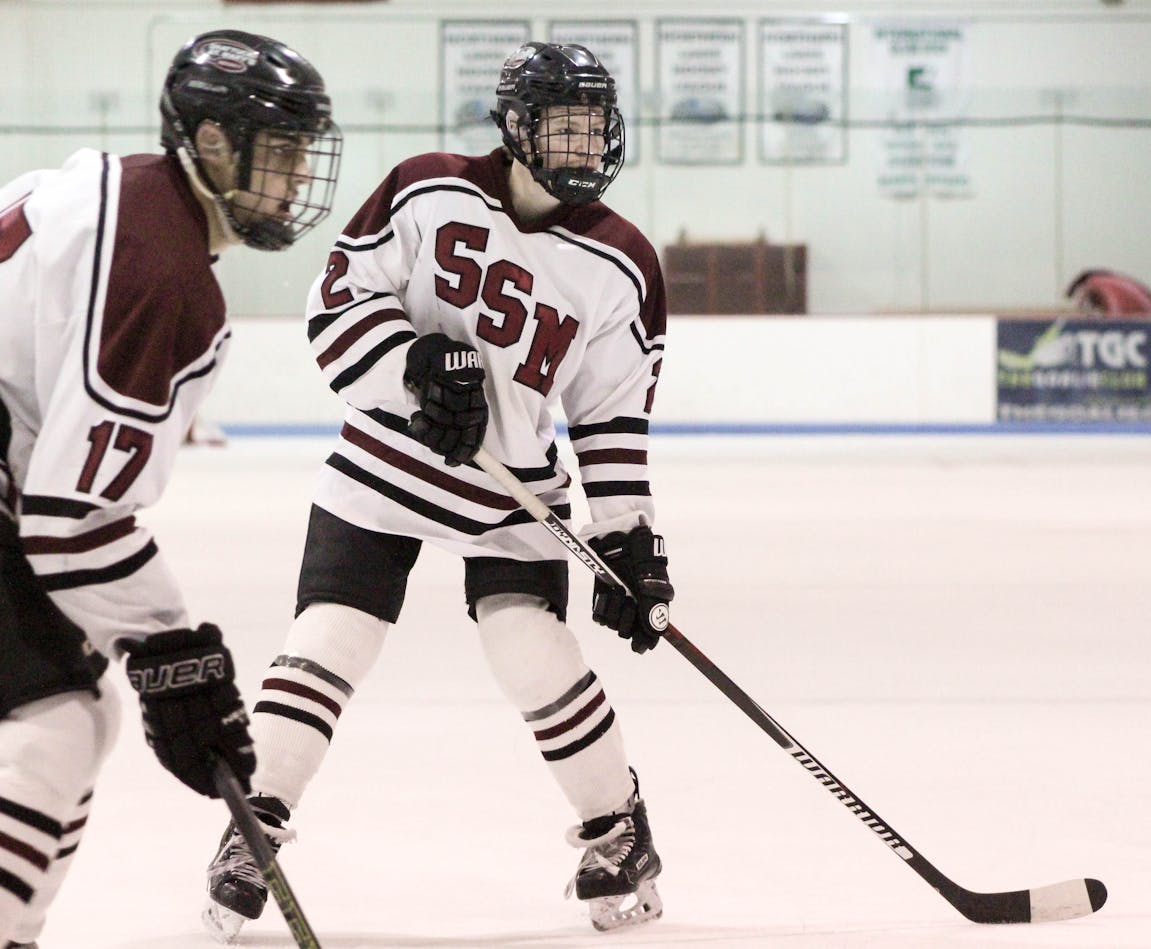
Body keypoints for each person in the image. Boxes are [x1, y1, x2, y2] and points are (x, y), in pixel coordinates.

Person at [201, 41, 672, 940]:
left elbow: (612, 415)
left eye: (593, 125)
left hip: (512, 494)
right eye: (561, 124)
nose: (581, 143)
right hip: (385, 460)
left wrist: (628, 539)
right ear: (516, 127)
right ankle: (253, 822)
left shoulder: (624, 264)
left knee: (526, 642)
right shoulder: (428, 187)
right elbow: (337, 305)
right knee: (332, 633)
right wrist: (414, 364)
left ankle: (618, 830)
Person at [0, 29, 342, 949]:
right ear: (214, 143)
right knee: (57, 723)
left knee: (79, 714)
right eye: (282, 151)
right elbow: (70, 520)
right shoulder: (162, 268)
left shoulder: (124, 193)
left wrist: (164, 657)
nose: (297, 176)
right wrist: (172, 652)